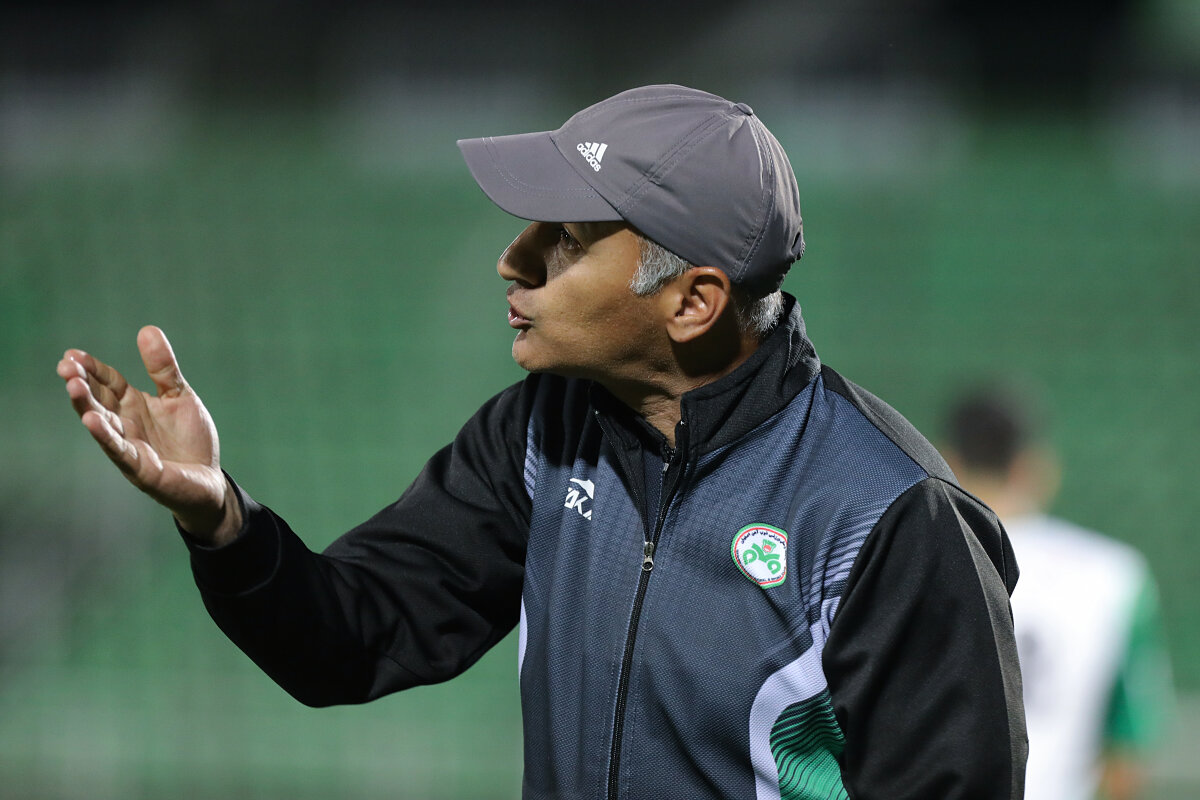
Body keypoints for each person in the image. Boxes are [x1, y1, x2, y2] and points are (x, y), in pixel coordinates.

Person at [58, 84, 1026, 799]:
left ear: (692, 301)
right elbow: (349, 640)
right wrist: (221, 518)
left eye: (563, 238)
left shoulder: (889, 512)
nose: (512, 260)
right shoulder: (541, 429)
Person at [941, 381, 1173, 800]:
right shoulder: (1114, 575)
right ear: (1032, 467)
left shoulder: (906, 559)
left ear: (948, 460)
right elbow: (1125, 753)